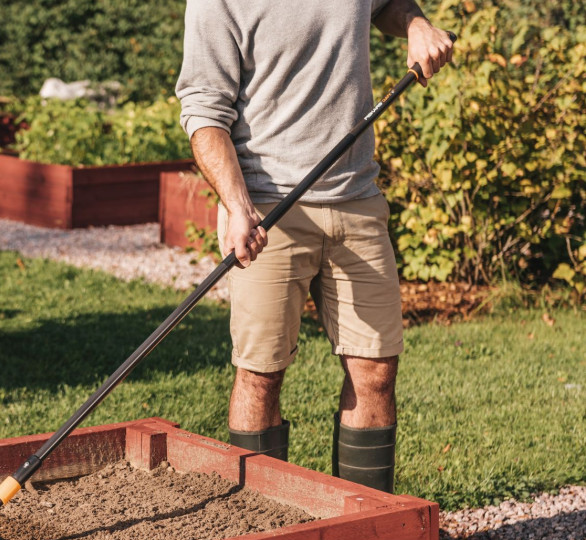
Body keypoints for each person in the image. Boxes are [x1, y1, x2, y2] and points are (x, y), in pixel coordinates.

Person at [176, 1, 453, 492]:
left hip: (358, 200)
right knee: (261, 374)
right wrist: (237, 204)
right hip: (267, 207)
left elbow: (388, 5)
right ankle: (257, 538)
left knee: (376, 372)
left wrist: (416, 26)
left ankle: (362, 531)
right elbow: (203, 108)